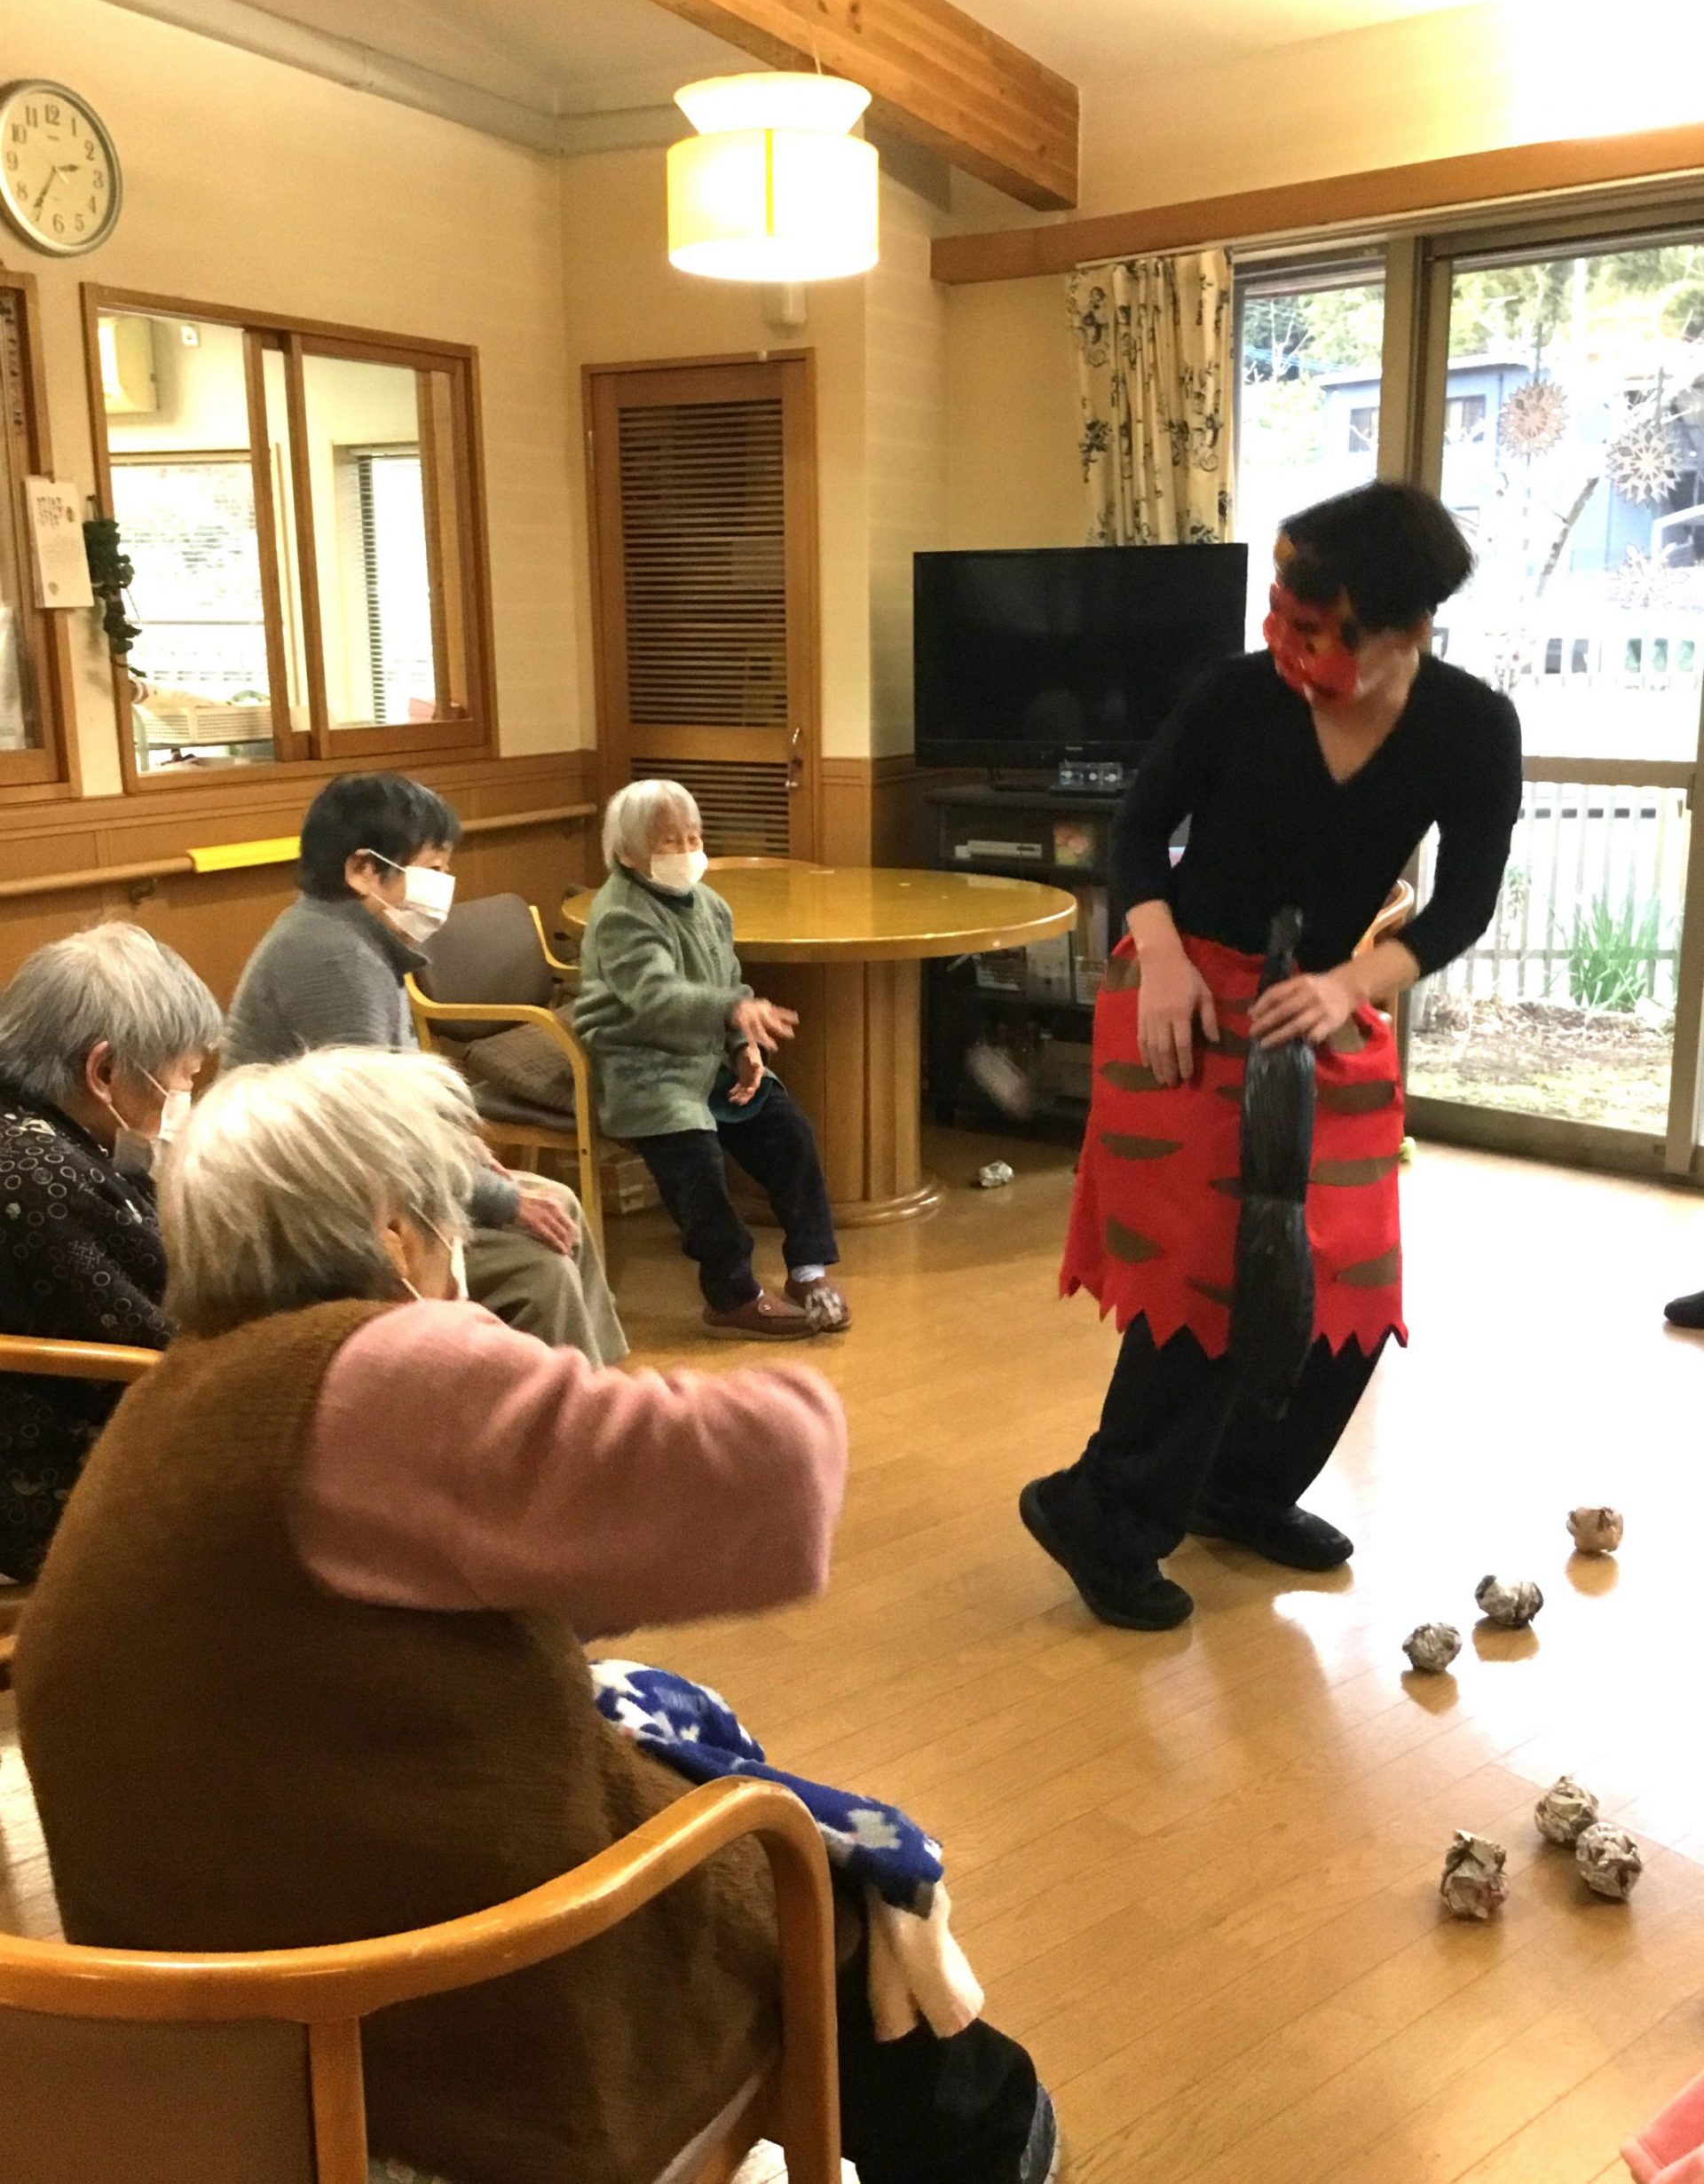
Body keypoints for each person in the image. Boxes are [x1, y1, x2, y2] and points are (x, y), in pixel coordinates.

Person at [15, 1048, 1056, 2184]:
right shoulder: (382, 1370)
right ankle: (1001, 2143)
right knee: (819, 1882)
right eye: (448, 1213)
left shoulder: (181, 1393)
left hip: (204, 2031)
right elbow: (776, 1471)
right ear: (393, 1232)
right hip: (421, 2031)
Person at [1022, 480, 1524, 1631]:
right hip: (1188, 998)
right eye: (1283, 619)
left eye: (1317, 630)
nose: (1288, 647)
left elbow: (1466, 903)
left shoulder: (1471, 726)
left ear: (1406, 629)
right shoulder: (1237, 695)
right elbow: (1138, 830)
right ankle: (1104, 1512)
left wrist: (1354, 982)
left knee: (1348, 1278)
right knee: (1211, 1272)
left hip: (1321, 999)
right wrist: (1157, 955)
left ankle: (1240, 1488)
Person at [224, 769, 625, 1365]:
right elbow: (374, 1138)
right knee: (537, 1266)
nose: (445, 886)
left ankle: (596, 1392)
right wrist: (498, 1198)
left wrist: (463, 1148)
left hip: (362, 1185)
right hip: (316, 1214)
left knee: (556, 1204)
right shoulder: (332, 957)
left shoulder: (345, 937)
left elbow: (398, 1100)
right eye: (433, 868)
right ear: (363, 870)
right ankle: (558, 1413)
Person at [575, 781, 848, 1340]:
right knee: (695, 1161)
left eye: (693, 838)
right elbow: (656, 995)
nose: (686, 850)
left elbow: (729, 983)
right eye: (668, 841)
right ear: (627, 853)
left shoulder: (710, 906)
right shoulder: (621, 914)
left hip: (709, 1055)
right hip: (643, 1064)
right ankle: (732, 1295)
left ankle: (808, 1271)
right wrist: (732, 1012)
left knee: (788, 1132)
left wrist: (744, 1047)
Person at [0, 922, 220, 1582]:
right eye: (184, 1079)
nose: (185, 1101)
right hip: (43, 1480)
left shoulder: (36, 1130)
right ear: (103, 1072)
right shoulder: (43, 1179)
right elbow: (174, 1343)